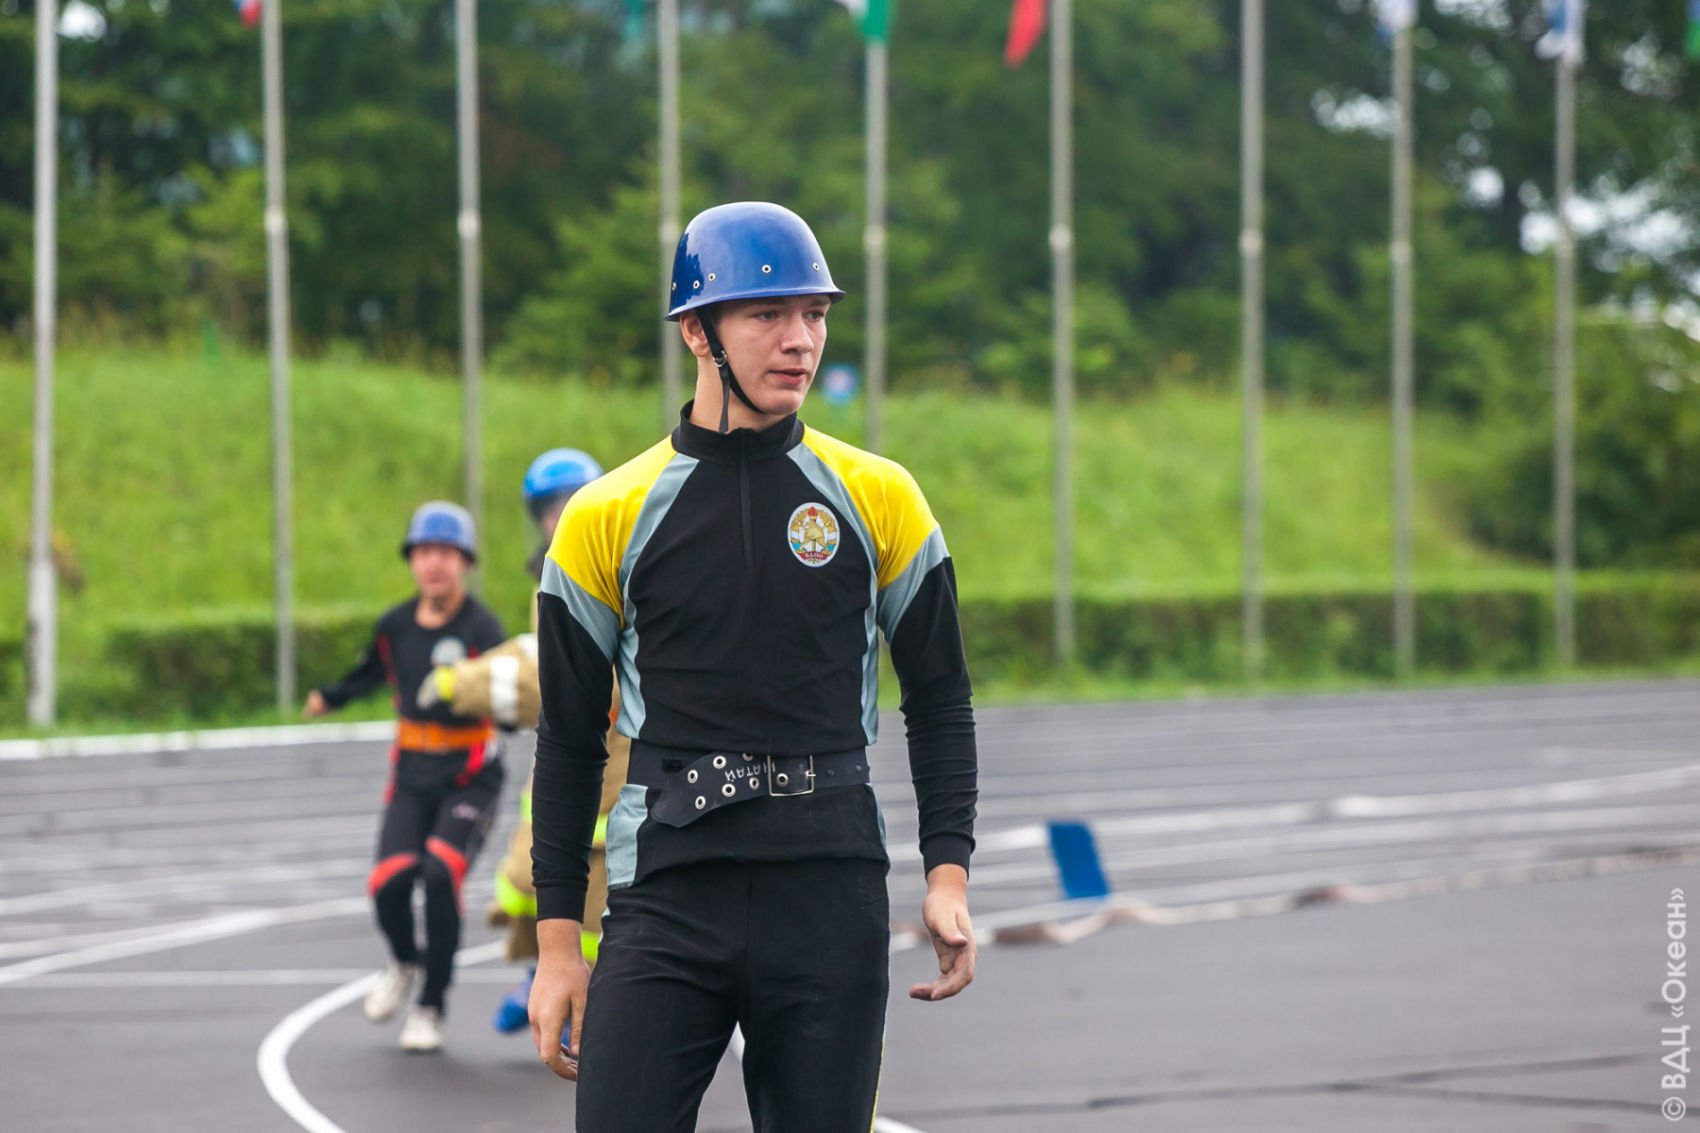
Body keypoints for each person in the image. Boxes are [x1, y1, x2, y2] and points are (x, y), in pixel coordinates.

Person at [527, 201, 980, 1131]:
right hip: (666, 890)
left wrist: (947, 875)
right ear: (697, 332)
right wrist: (559, 946)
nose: (799, 339)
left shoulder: (881, 494)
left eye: (814, 314)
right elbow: (569, 740)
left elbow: (939, 699)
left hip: (829, 886)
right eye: (767, 314)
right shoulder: (605, 515)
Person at [415, 449, 631, 1034]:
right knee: (525, 881)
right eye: (547, 508)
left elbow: (562, 680)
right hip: (565, 772)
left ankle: (589, 1011)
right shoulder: (552, 571)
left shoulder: (616, 566)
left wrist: (463, 684)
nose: (557, 516)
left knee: (599, 912)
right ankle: (541, 974)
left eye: (568, 502)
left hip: (616, 774)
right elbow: (541, 654)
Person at [304, 500, 508, 1053]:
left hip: (470, 776)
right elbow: (369, 672)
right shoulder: (394, 626)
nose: (434, 563)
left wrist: (518, 710)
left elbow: (510, 686)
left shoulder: (482, 628)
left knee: (440, 874)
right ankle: (403, 962)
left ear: (465, 562)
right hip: (413, 775)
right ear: (411, 560)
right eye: (423, 552)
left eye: (446, 552)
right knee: (389, 882)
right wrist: (330, 697)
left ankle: (430, 1006)